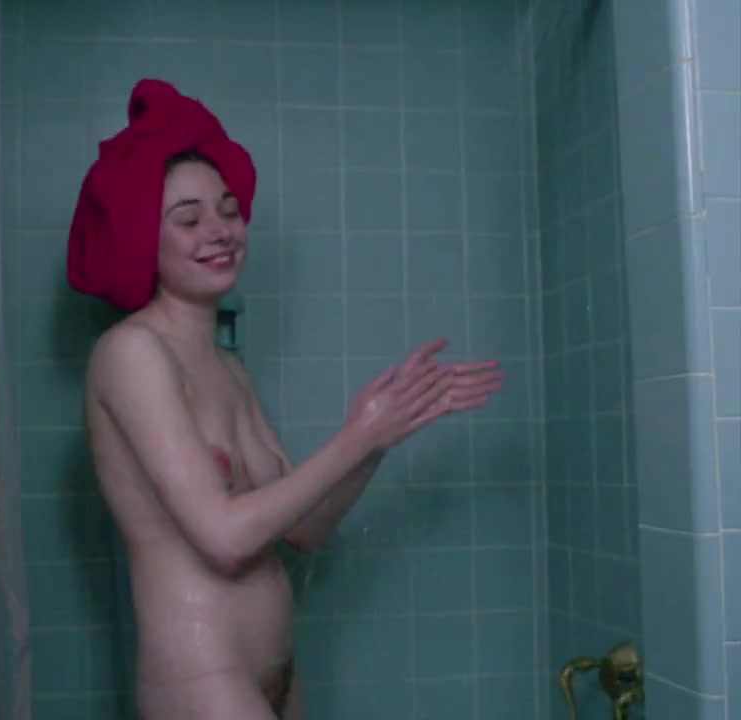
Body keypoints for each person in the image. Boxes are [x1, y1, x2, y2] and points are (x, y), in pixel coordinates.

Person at [68, 79, 504, 720]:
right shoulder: (129, 354)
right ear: (141, 238)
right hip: (200, 681)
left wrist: (379, 439)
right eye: (188, 219)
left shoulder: (228, 368)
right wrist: (356, 435)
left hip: (274, 678)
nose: (219, 231)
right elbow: (223, 537)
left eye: (228, 210)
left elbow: (304, 529)